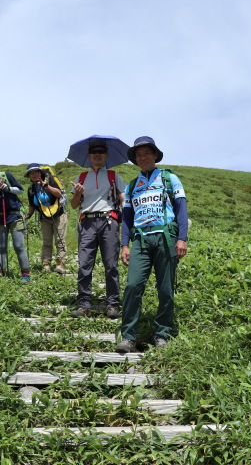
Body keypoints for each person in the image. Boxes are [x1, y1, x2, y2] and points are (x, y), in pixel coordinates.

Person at [115, 136, 189, 353]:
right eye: (138, 155)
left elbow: (181, 209)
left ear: (155, 155)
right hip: (140, 240)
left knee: (165, 289)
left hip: (165, 238)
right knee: (132, 286)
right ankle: (128, 337)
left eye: (147, 153)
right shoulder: (131, 186)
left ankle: (162, 334)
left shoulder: (169, 179)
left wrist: (182, 238)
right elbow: (127, 217)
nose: (142, 157)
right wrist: (125, 245)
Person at [69, 141, 126, 318]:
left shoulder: (113, 176)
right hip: (87, 221)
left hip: (109, 221)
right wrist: (78, 192)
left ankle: (113, 304)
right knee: (84, 264)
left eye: (101, 152)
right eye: (94, 152)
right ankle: (84, 304)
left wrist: (127, 214)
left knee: (111, 265)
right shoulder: (81, 177)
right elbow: (73, 204)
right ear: (88, 156)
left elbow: (123, 198)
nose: (97, 154)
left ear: (106, 156)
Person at [24, 163, 68, 275]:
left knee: (59, 240)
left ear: (41, 173)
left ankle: (61, 264)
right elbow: (32, 204)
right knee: (47, 241)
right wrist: (28, 214)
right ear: (28, 176)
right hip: (44, 217)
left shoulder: (50, 182)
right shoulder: (31, 189)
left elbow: (58, 194)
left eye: (36, 172)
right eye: (31, 173)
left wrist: (47, 186)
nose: (34, 175)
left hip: (59, 215)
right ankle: (46, 264)